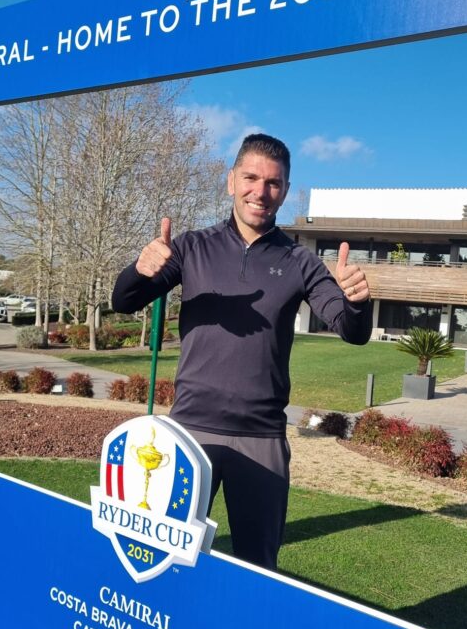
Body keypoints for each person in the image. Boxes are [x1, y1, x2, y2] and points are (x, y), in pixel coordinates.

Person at [112, 133, 372, 570]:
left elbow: (351, 329)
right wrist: (138, 270)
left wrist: (357, 303)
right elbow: (124, 301)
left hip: (261, 439)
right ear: (231, 181)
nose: (260, 191)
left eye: (273, 183)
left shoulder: (300, 262)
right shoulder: (192, 247)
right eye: (251, 178)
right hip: (191, 431)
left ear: (285, 191)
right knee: (164, 561)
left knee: (257, 568)